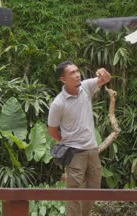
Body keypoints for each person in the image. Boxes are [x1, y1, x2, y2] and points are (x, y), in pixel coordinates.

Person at [47, 61, 111, 216]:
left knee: (93, 190)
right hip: (74, 152)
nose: (77, 75)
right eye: (72, 73)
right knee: (74, 195)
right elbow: (52, 131)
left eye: (77, 71)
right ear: (63, 79)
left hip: (92, 150)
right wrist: (68, 141)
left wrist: (103, 73)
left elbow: (105, 79)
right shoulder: (58, 103)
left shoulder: (86, 87)